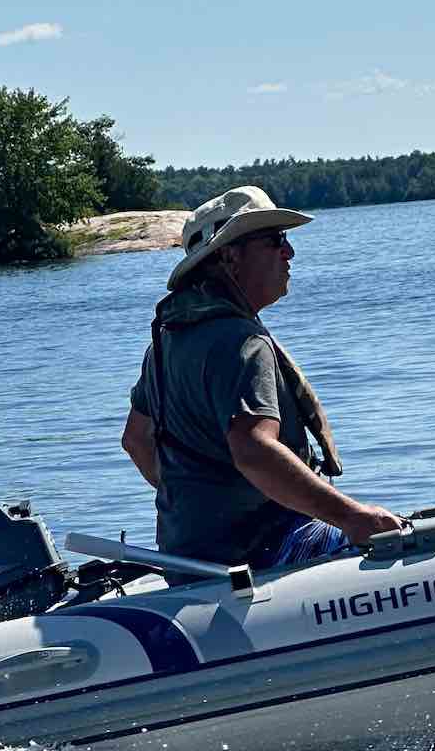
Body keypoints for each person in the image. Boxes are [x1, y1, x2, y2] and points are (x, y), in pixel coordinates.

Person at [121, 185, 402, 567]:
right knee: (399, 548)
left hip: (190, 559)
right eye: (274, 240)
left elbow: (136, 441)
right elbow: (253, 450)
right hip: (263, 552)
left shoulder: (166, 344)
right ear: (230, 257)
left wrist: (204, 505)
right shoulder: (241, 342)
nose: (289, 252)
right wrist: (353, 518)